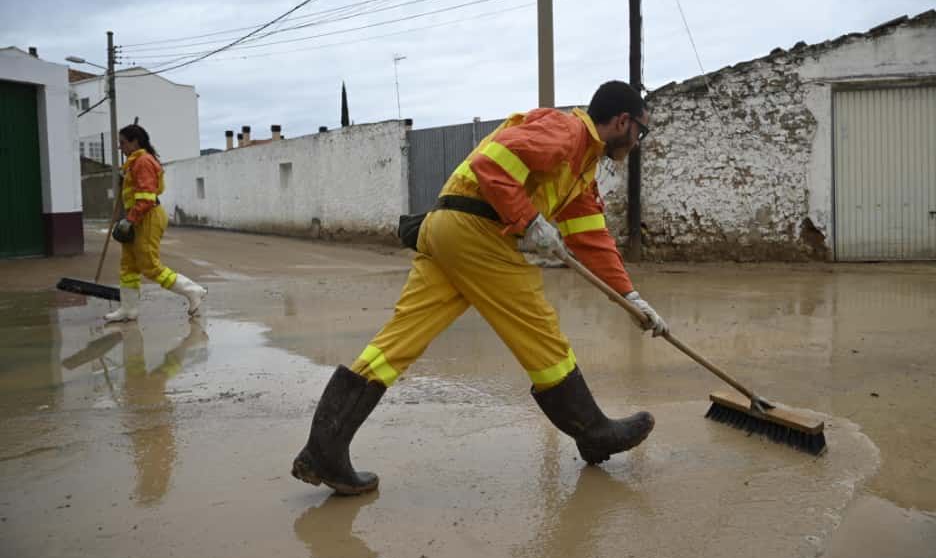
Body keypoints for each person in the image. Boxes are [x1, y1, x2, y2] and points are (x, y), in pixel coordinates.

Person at [292, 81, 669, 496]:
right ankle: (594, 431)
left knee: (398, 341)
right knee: (539, 332)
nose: (638, 141)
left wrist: (630, 297)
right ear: (621, 121)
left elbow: (590, 238)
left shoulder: (582, 167)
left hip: (444, 230)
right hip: (479, 232)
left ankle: (324, 447)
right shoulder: (565, 132)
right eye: (640, 131)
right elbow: (492, 165)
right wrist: (528, 220)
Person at [103, 124, 207, 322]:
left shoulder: (142, 161)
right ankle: (128, 309)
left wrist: (130, 220)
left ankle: (193, 291)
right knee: (128, 265)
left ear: (135, 142)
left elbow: (146, 197)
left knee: (149, 264)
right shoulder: (135, 163)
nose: (120, 147)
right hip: (137, 217)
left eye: (123, 142)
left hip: (147, 216)